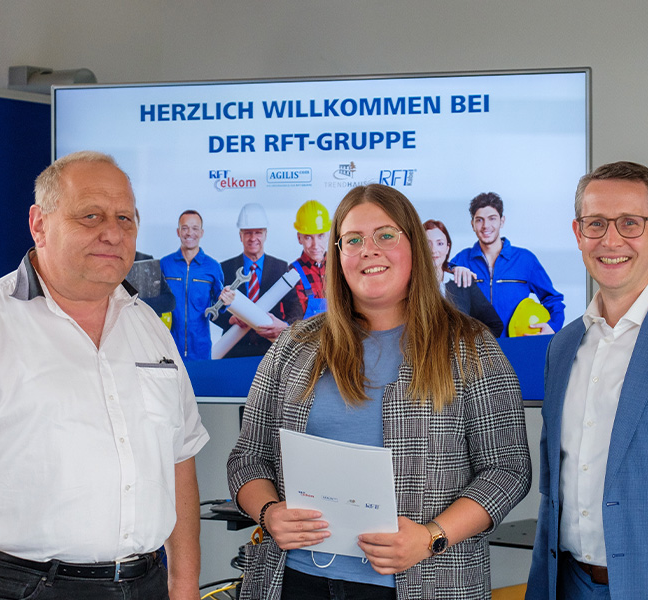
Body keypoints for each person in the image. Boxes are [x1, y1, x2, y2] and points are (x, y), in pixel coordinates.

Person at [0, 151, 209, 600]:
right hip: (15, 587)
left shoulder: (150, 329)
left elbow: (179, 458)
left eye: (125, 218)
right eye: (90, 216)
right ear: (39, 224)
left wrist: (185, 586)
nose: (113, 233)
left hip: (145, 584)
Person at [227, 184, 531, 599]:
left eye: (385, 235)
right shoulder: (294, 346)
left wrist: (431, 537)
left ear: (414, 246)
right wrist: (268, 512)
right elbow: (248, 458)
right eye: (353, 240)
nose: (368, 250)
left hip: (426, 583)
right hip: (295, 582)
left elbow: (508, 469)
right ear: (338, 256)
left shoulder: (471, 347)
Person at [526, 162, 648, 600]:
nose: (611, 240)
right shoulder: (563, 346)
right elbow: (552, 492)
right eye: (596, 223)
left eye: (630, 223)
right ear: (578, 233)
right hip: (569, 585)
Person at [449, 192, 564, 337]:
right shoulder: (462, 260)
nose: (486, 226)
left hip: (516, 345)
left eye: (492, 218)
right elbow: (438, 273)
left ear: (502, 221)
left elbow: (552, 298)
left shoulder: (525, 260)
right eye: (479, 220)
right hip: (476, 347)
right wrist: (453, 268)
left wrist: (553, 327)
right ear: (472, 224)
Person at [215, 203, 303, 358]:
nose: (253, 238)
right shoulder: (224, 269)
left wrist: (284, 327)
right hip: (234, 351)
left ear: (265, 235)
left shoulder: (280, 267)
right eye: (248, 233)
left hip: (271, 350)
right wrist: (230, 320)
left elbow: (295, 308)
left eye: (258, 232)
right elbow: (213, 309)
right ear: (240, 235)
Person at [160, 210, 224, 359]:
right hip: (169, 348)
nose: (190, 233)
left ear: (201, 233)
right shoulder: (165, 264)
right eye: (185, 228)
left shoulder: (213, 267)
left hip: (201, 350)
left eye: (195, 228)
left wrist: (225, 302)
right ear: (178, 232)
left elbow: (219, 305)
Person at [424, 219, 503, 337]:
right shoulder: (409, 286)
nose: (434, 250)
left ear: (447, 248)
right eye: (427, 243)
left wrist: (469, 344)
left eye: (440, 243)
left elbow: (494, 324)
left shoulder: (463, 283)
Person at [289, 200, 330, 319]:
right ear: (299, 238)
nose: (315, 245)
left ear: (328, 235)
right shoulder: (293, 274)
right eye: (308, 237)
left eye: (320, 236)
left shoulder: (340, 266)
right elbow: (292, 320)